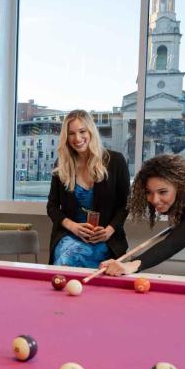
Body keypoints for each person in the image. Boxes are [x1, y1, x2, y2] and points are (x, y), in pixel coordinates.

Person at [46, 110, 130, 268]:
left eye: (82, 131)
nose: (77, 138)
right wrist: (73, 227)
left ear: (91, 131)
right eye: (71, 133)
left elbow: (125, 205)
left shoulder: (116, 161)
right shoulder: (61, 164)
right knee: (67, 257)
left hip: (106, 240)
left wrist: (109, 231)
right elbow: (52, 207)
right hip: (69, 237)